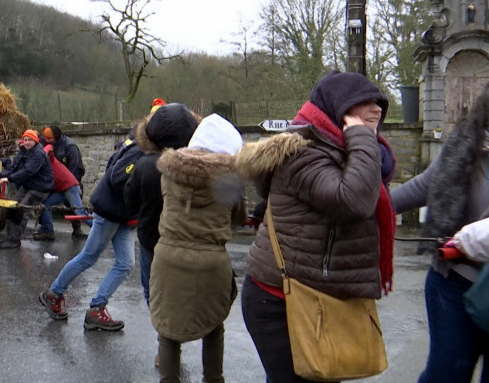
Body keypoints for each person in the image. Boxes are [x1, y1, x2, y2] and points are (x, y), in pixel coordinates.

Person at [235, 71, 396, 383]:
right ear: (336, 109)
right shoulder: (302, 154)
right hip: (281, 301)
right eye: (365, 102)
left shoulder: (347, 154)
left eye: (379, 103)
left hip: (324, 298)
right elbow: (353, 201)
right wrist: (362, 137)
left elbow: (372, 201)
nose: (377, 109)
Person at [392, 83, 489, 383]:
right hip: (456, 281)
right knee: (446, 374)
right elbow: (425, 186)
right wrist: (372, 209)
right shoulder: (466, 143)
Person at [150, 114, 245, 383]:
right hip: (211, 259)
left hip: (168, 255)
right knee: (214, 325)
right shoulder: (230, 181)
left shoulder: (168, 174)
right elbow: (237, 218)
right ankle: (214, 379)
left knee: (168, 331)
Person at [39, 127, 143, 331]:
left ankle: (96, 309)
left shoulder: (135, 148)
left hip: (124, 215)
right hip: (112, 211)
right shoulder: (139, 152)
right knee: (89, 256)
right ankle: (54, 293)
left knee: (126, 263)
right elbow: (119, 180)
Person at [123, 102, 199, 307]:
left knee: (152, 291)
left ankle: (164, 334)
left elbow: (130, 202)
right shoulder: (200, 164)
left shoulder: (145, 164)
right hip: (188, 238)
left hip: (151, 237)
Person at [0, 129, 54, 249]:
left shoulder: (39, 154)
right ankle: (10, 237)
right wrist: (0, 175)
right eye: (25, 140)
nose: (26, 143)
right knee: (13, 207)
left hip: (40, 187)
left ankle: (14, 240)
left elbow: (28, 171)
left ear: (35, 141)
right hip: (28, 185)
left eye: (30, 140)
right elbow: (14, 166)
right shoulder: (23, 152)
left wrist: (9, 179)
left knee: (22, 210)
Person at [32, 144, 89, 241]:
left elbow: (49, 147)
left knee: (79, 210)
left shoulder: (50, 160)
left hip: (70, 187)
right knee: (45, 205)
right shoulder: (44, 163)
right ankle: (48, 232)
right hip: (64, 188)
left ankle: (99, 227)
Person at [40, 125, 87, 238]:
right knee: (45, 204)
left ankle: (84, 228)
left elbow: (75, 168)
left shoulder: (70, 146)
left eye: (49, 139)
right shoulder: (44, 143)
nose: (47, 140)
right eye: (45, 138)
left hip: (70, 182)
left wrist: (71, 184)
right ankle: (47, 230)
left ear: (56, 137)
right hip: (56, 183)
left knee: (77, 209)